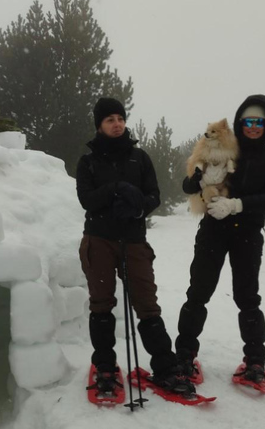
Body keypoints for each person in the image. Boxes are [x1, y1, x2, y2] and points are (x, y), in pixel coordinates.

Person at [76, 97, 193, 396]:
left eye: (120, 118)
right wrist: (116, 189)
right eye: (109, 120)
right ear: (99, 126)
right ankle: (105, 366)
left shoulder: (139, 158)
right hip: (99, 241)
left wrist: (138, 209)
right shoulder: (88, 161)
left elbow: (155, 195)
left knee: (147, 305)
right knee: (101, 305)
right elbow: (87, 200)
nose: (117, 124)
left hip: (134, 241)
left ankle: (165, 367)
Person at [175, 94, 265, 384]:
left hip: (247, 235)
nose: (253, 126)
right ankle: (184, 357)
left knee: (247, 298)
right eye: (248, 121)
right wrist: (200, 178)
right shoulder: (225, 147)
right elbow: (188, 184)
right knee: (198, 292)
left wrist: (236, 205)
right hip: (213, 229)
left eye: (259, 121)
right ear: (239, 123)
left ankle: (255, 362)